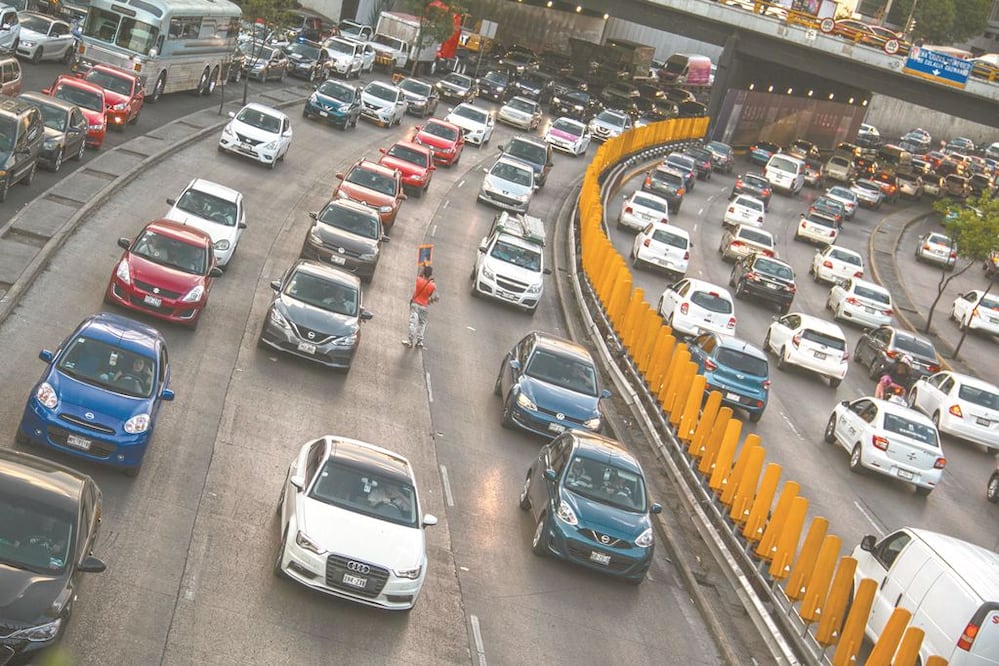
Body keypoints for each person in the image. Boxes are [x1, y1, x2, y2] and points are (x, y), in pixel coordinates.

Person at [402, 265, 438, 349]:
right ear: (431, 274)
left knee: (412, 322)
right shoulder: (432, 285)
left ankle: (410, 341)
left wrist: (422, 269)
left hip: (415, 304)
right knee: (422, 323)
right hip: (424, 306)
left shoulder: (419, 280)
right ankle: (419, 341)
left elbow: (419, 275)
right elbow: (434, 297)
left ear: (423, 272)